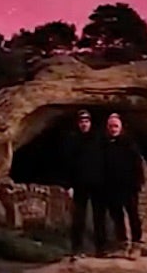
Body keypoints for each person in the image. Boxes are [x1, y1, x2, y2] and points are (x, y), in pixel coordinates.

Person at [100, 112, 146, 258]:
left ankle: (136, 244)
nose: (113, 129)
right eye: (110, 126)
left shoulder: (129, 143)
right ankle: (122, 244)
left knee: (133, 214)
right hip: (111, 187)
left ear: (120, 127)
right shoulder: (105, 144)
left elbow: (137, 164)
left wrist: (137, 183)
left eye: (115, 126)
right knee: (117, 216)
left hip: (128, 186)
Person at [62, 109, 106, 258]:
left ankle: (101, 249)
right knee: (78, 218)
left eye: (86, 121)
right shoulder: (72, 140)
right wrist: (68, 186)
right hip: (79, 184)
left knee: (99, 217)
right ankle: (77, 249)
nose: (84, 124)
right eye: (81, 121)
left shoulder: (98, 139)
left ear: (90, 123)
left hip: (98, 184)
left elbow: (105, 162)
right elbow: (67, 164)